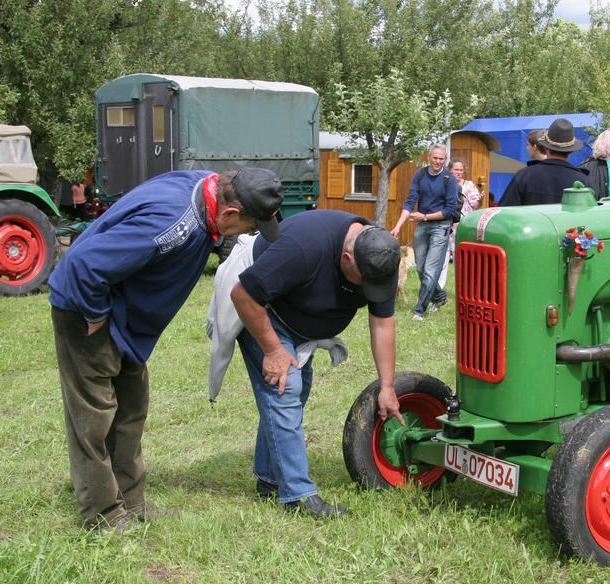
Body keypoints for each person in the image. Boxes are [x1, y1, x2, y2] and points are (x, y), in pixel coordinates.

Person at [49, 167, 284, 531]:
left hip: (126, 317)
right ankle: (104, 515)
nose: (247, 233)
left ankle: (132, 503)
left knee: (131, 410)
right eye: (249, 225)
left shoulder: (208, 186)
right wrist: (95, 318)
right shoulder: (172, 225)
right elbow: (83, 266)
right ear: (230, 213)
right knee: (94, 417)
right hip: (89, 308)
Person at [230, 210, 404, 519]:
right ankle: (297, 494)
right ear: (347, 258)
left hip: (298, 319)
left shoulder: (380, 258)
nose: (368, 292)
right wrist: (273, 350)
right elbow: (244, 295)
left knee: (298, 390)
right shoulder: (303, 247)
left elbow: (382, 323)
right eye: (363, 283)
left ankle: (270, 479)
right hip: (261, 309)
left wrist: (387, 386)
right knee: (285, 387)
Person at [390, 144, 459, 321]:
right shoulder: (420, 175)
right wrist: (398, 226)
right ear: (429, 157)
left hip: (441, 226)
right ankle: (439, 296)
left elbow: (450, 210)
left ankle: (419, 311)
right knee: (420, 268)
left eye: (441, 159)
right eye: (435, 158)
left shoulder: (449, 179)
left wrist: (425, 217)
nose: (438, 161)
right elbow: (410, 202)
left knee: (430, 270)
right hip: (422, 225)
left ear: (445, 160)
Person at [499, 118, 591, 206]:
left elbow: (505, 212)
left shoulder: (524, 177)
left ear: (546, 147)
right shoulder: (584, 182)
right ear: (571, 150)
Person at [438, 159, 482, 291]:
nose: (458, 172)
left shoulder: (469, 185)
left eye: (461, 170)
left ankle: (465, 289)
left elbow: (475, 205)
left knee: (464, 258)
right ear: (450, 170)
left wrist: (481, 200)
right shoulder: (444, 184)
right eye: (456, 169)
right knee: (444, 256)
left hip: (464, 227)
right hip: (446, 224)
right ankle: (439, 289)